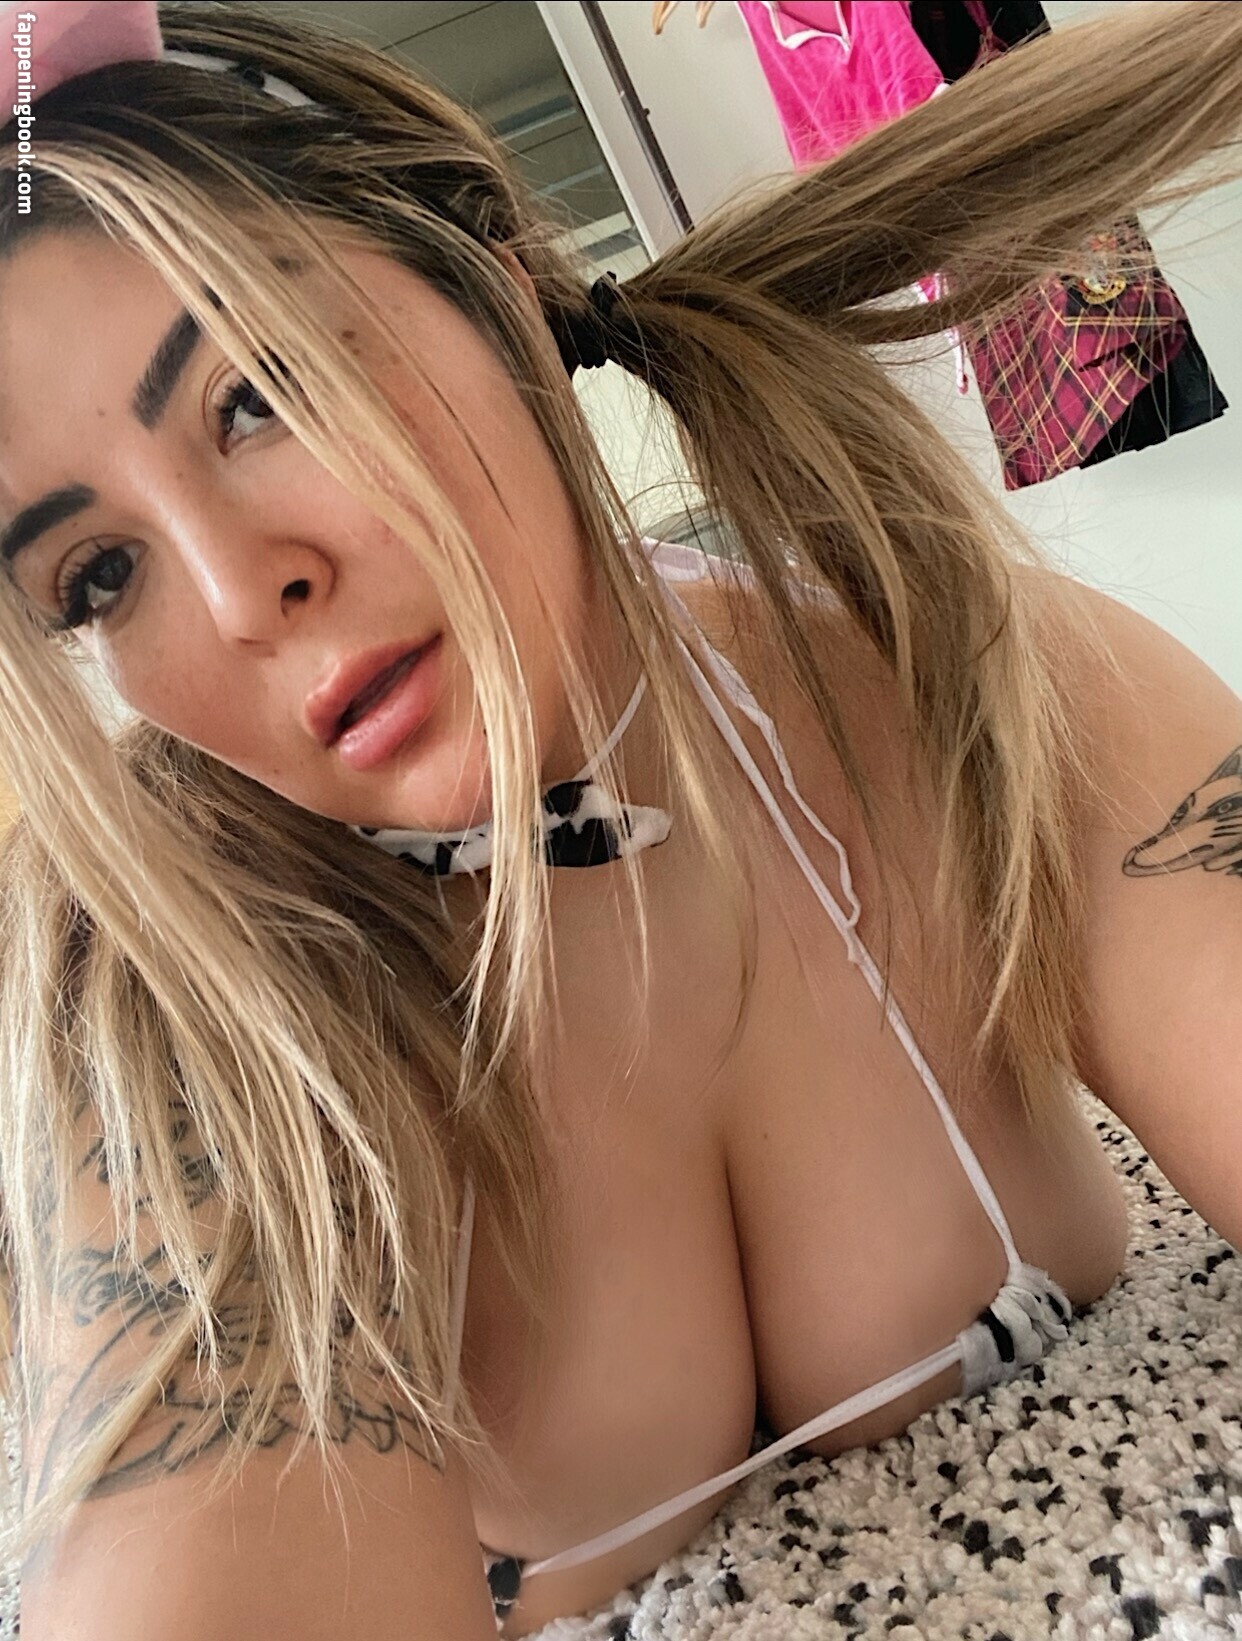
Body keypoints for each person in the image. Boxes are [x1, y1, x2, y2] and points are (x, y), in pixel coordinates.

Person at [0, 1, 1239, 1635]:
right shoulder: (186, 1021)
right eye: (97, 574)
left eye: (261, 393)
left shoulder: (954, 676)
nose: (239, 595)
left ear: (495, 280)